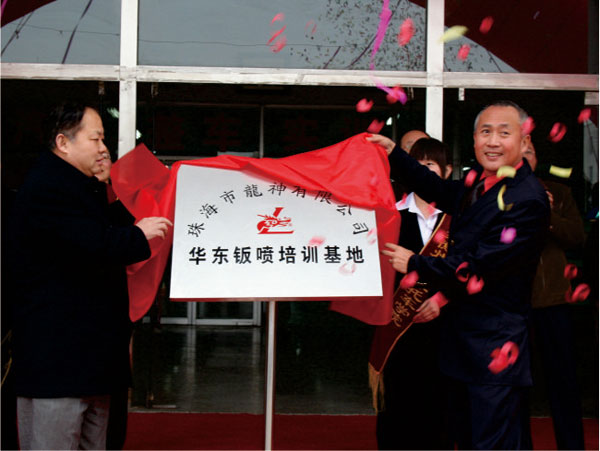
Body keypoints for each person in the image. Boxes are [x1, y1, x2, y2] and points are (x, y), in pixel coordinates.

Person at [370, 100, 550, 449]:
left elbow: (482, 264)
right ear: (474, 139)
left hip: (493, 348)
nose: (493, 141)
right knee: (465, 439)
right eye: (485, 132)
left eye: (504, 133)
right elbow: (439, 189)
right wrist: (395, 154)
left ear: (524, 140)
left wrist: (416, 263)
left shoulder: (526, 198)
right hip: (462, 347)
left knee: (491, 442)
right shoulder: (481, 184)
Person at [7, 102, 172, 450]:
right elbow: (91, 244)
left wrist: (108, 186)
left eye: (103, 140)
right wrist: (138, 235)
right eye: (95, 139)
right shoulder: (47, 188)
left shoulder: (78, 186)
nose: (103, 148)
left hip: (89, 358)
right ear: (63, 143)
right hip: (59, 361)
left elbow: (102, 230)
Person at [370, 137, 452, 450]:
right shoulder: (390, 214)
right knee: (398, 406)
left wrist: (443, 299)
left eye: (431, 165)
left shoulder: (458, 218)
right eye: (418, 164)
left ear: (446, 171)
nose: (423, 171)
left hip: (446, 328)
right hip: (399, 327)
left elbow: (471, 267)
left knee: (440, 408)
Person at [522, 143, 586, 450]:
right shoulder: (495, 194)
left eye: (529, 153)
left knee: (563, 382)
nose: (524, 159)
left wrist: (547, 214)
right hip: (512, 305)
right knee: (515, 386)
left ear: (537, 159)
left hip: (553, 302)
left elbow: (577, 237)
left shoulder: (558, 193)